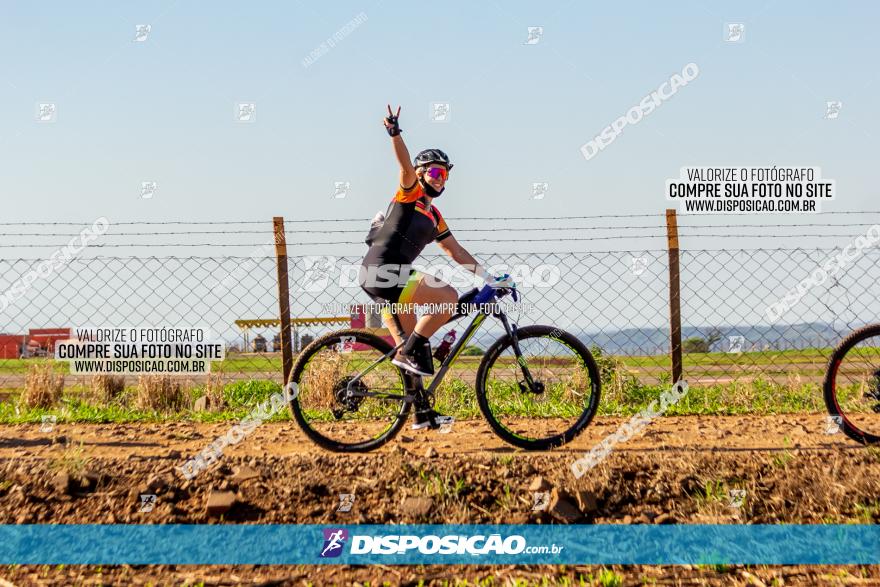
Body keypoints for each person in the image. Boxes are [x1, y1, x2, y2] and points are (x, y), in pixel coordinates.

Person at [359, 104, 512, 430]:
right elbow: (403, 166)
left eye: (446, 174)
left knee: (416, 346)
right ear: (422, 173)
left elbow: (455, 251)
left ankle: (421, 415)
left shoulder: (435, 216)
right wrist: (395, 132)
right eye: (436, 172)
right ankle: (405, 353)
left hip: (391, 281)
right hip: (383, 271)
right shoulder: (410, 194)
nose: (442, 179)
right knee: (447, 296)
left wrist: (489, 278)